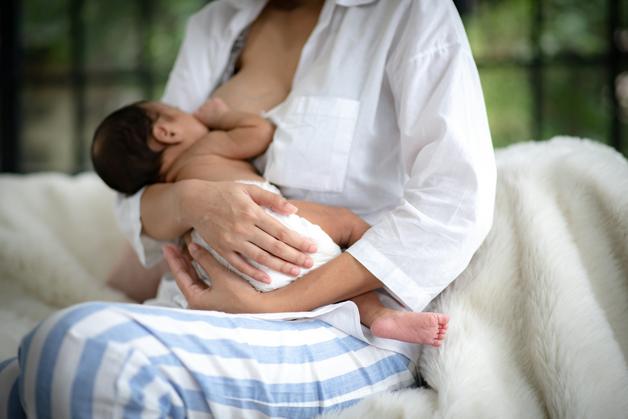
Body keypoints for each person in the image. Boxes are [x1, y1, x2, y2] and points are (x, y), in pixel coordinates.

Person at [0, 0, 496, 417]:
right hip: (198, 305)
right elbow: (138, 192)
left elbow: (455, 200)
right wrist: (194, 199)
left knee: (78, 351)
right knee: (17, 376)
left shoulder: (407, 13)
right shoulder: (217, 24)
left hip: (340, 325)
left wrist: (274, 304)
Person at [90, 96, 450, 345]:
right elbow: (258, 132)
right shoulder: (207, 146)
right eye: (180, 112)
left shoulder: (165, 193)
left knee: (321, 274)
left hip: (226, 271)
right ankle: (382, 310)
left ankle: (372, 315)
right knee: (344, 228)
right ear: (167, 131)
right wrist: (219, 118)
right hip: (265, 221)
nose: (192, 115)